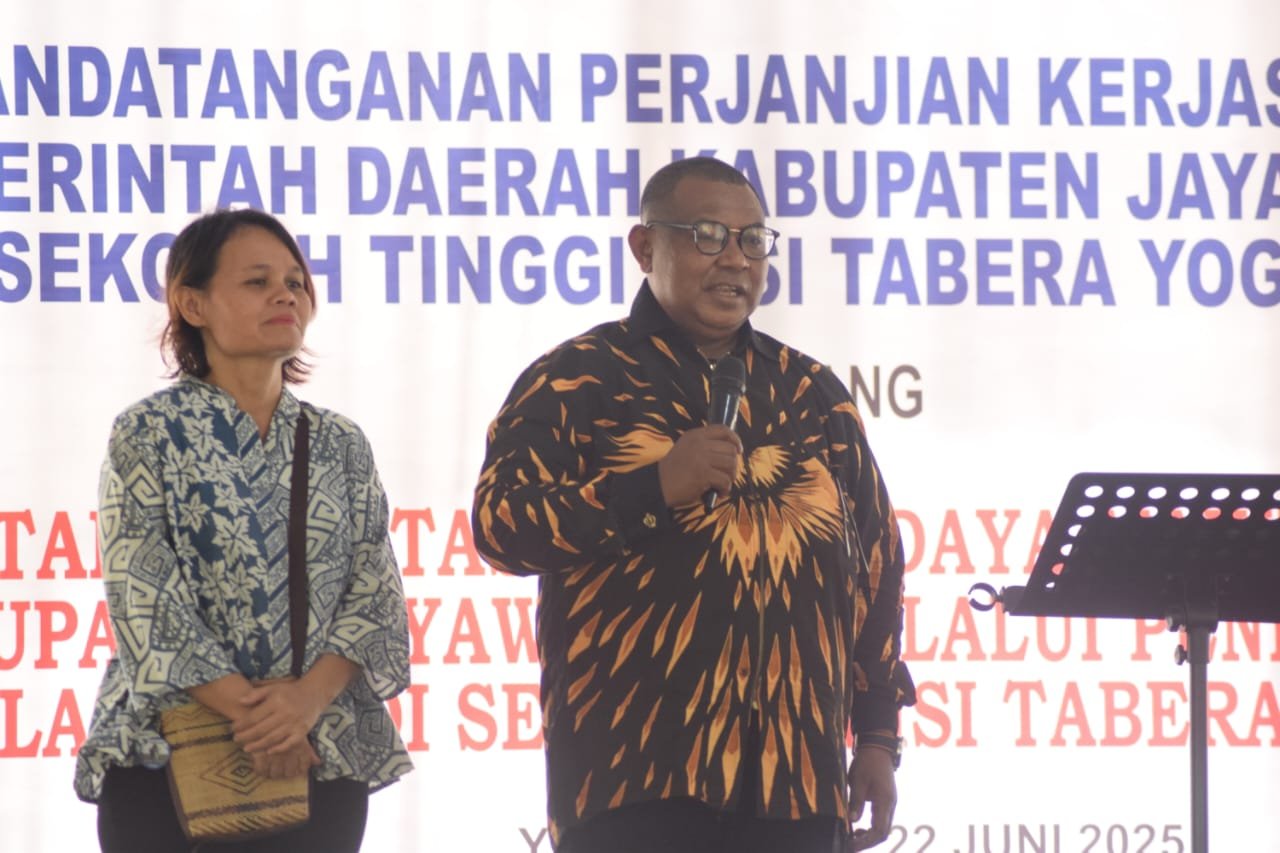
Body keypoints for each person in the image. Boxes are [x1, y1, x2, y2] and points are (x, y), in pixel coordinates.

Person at [472, 157, 916, 853]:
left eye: (753, 240)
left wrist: (880, 737)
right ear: (645, 246)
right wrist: (652, 488)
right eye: (708, 235)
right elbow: (502, 525)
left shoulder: (813, 393)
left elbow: (877, 571)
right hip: (634, 780)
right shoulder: (577, 379)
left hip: (798, 782)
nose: (735, 259)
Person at [73, 208, 413, 852]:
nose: (285, 294)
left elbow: (376, 592)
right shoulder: (148, 432)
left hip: (320, 750)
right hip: (168, 757)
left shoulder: (340, 442)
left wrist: (304, 705)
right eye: (257, 282)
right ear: (192, 303)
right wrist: (258, 717)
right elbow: (144, 596)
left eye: (295, 282)